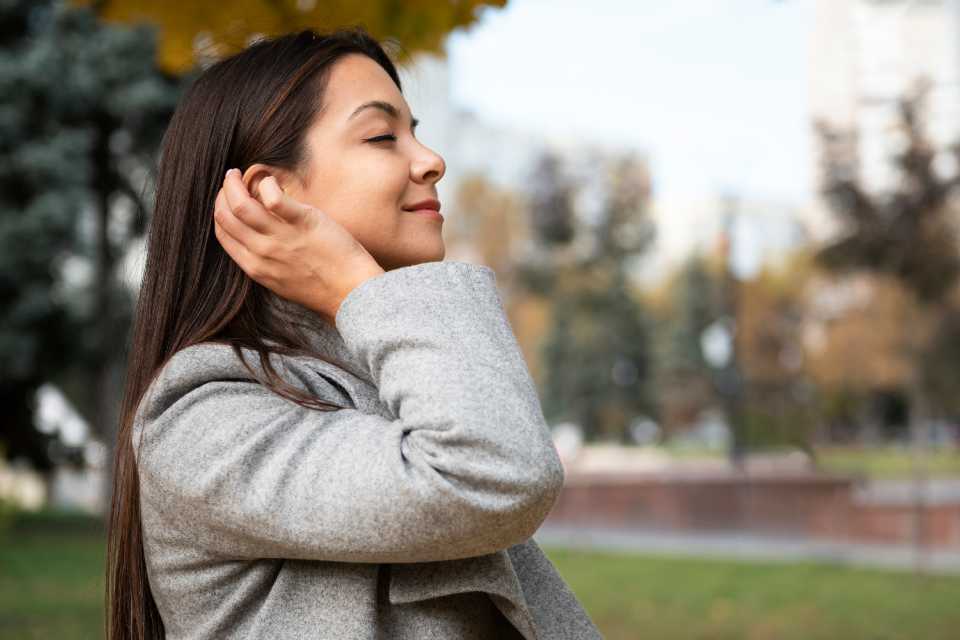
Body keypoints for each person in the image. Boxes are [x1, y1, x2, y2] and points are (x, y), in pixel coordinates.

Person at [106, 26, 603, 640]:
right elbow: (496, 472)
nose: (430, 160)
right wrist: (354, 284)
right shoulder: (203, 417)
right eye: (381, 136)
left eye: (416, 131)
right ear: (269, 196)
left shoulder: (389, 377)